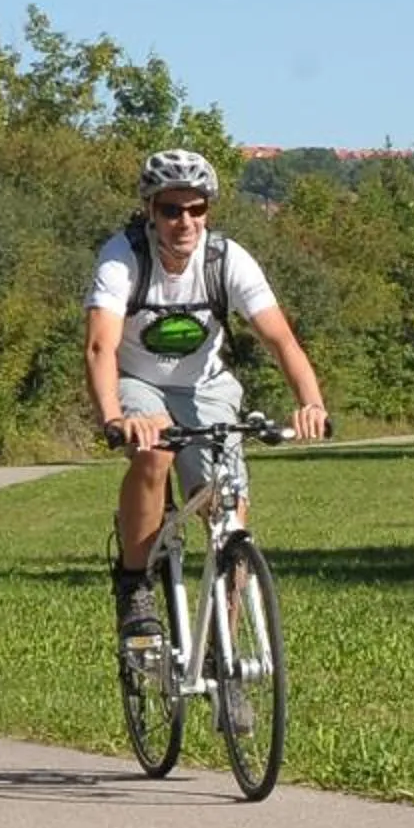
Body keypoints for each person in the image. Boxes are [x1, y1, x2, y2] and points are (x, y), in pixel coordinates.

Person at [83, 149, 329, 657]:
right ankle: (135, 584)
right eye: (171, 210)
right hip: (138, 382)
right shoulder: (123, 257)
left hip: (206, 387)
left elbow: (280, 340)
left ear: (208, 211)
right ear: (150, 211)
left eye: (196, 209)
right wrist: (113, 418)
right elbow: (100, 346)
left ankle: (225, 650)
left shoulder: (226, 259)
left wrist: (312, 404)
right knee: (154, 452)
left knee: (228, 509)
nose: (185, 221)